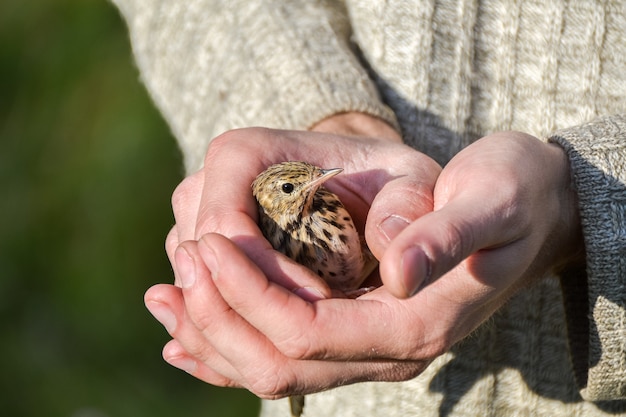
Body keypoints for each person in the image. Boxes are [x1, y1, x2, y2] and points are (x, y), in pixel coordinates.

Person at [112, 0, 626, 415]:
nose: (322, 184)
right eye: (297, 188)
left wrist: (583, 201)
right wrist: (316, 113)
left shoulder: (328, 207)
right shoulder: (279, 233)